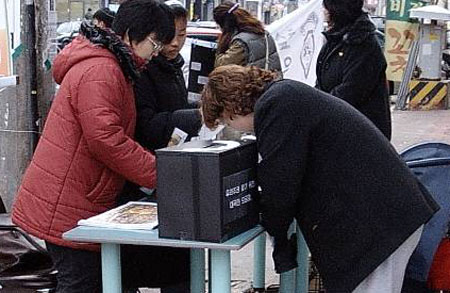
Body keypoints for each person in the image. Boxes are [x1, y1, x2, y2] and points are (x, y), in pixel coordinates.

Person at [201, 65, 439, 293]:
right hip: (386, 215)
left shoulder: (276, 105)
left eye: (226, 121)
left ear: (231, 107)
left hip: (379, 223)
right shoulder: (284, 94)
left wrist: (268, 218)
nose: (238, 130)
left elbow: (280, 182)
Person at [11, 1, 175, 292]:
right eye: (155, 42)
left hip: (79, 195)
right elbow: (106, 139)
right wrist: (161, 172)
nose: (156, 52)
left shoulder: (111, 64)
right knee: (81, 284)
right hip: (70, 200)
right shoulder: (103, 70)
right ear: (130, 34)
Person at [119, 1, 200, 291]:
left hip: (167, 172)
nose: (175, 43)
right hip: (143, 179)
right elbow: (130, 130)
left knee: (178, 265)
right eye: (168, 37)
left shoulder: (172, 67)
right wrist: (193, 118)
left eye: (183, 34)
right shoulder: (135, 71)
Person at [316, 0, 392, 140]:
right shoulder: (335, 40)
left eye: (327, 6)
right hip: (337, 130)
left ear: (338, 9)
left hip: (361, 137)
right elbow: (321, 82)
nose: (324, 11)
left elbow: (351, 91)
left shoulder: (363, 44)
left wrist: (317, 107)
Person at [213, 1, 281, 71]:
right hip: (272, 78)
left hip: (254, 81)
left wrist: (220, 49)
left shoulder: (240, 42)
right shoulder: (264, 33)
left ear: (224, 24)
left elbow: (222, 65)